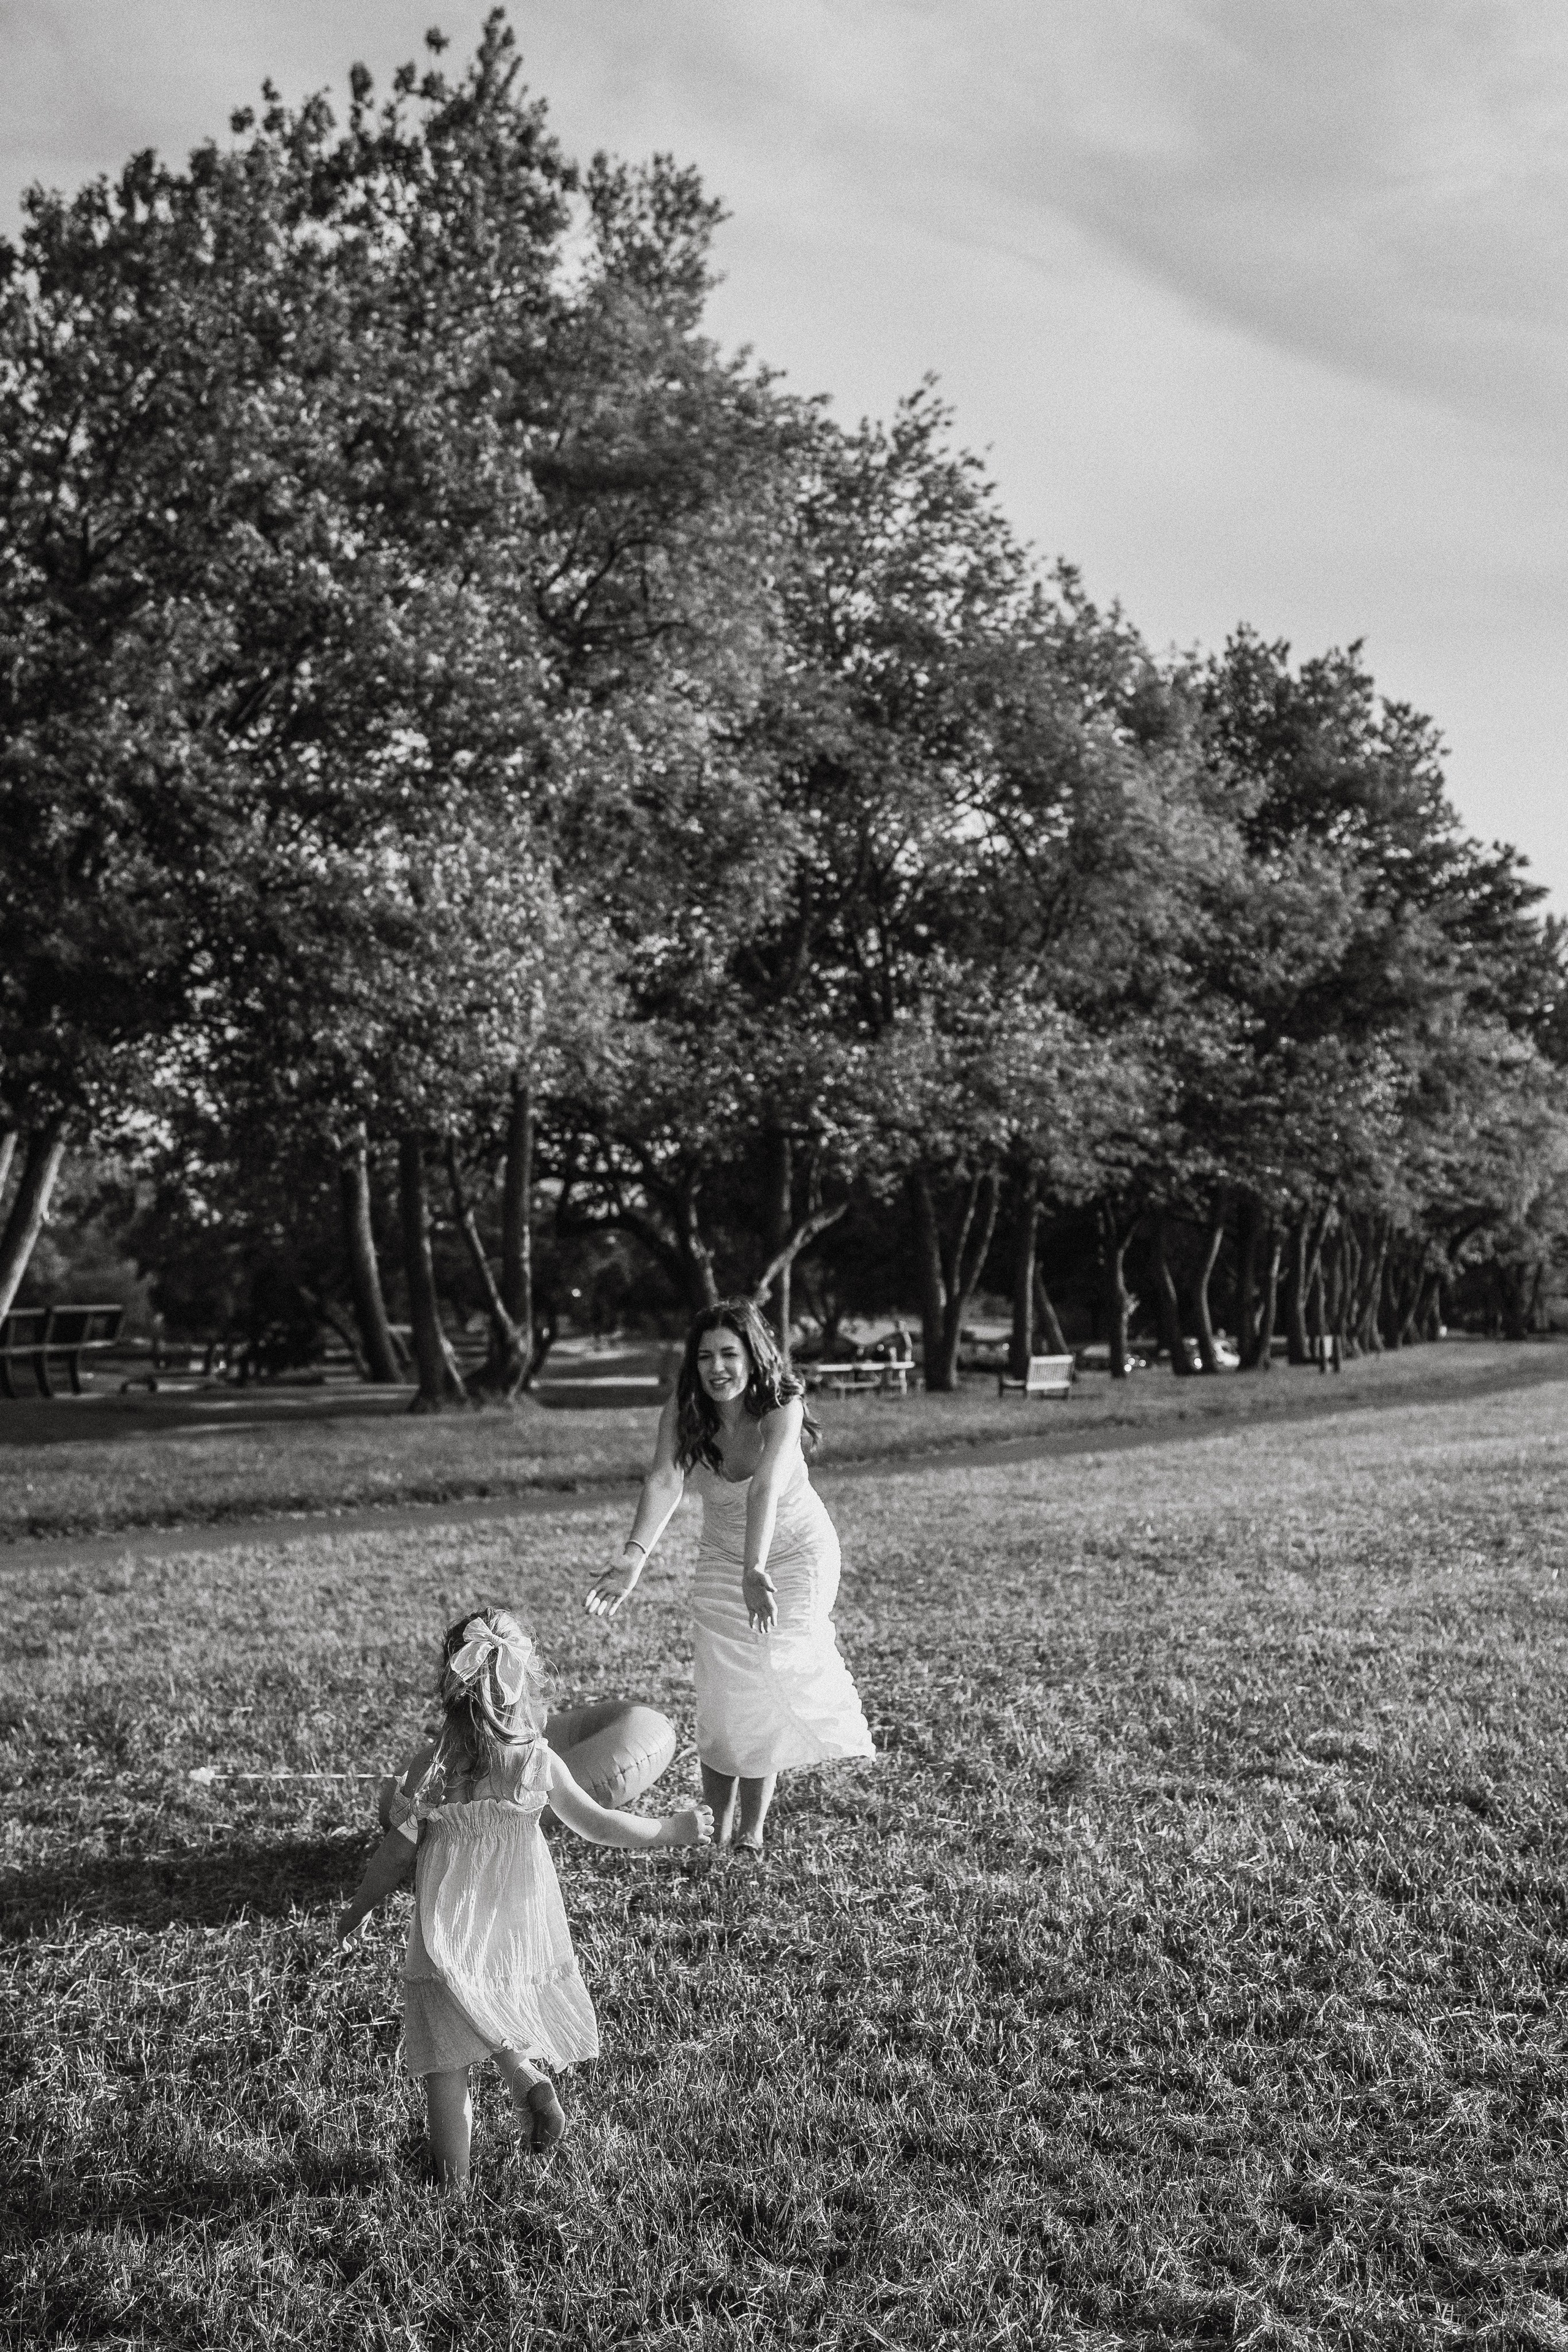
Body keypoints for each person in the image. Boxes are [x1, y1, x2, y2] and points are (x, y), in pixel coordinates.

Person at [337, 1604, 712, 2189]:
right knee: (493, 2004)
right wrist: (669, 1829)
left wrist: (358, 1907)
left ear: (449, 1685)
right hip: (513, 1919)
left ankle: (453, 2186)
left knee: (445, 2064)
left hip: (446, 1924)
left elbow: (396, 1853)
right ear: (522, 1684)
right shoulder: (537, 1761)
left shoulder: (430, 1771)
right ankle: (525, 2080)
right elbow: (599, 1824)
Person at [584, 1299, 875, 1857]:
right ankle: (717, 1828)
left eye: (729, 1354)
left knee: (766, 1681)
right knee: (722, 1698)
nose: (717, 1368)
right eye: (704, 1357)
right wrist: (633, 1557)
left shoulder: (782, 1403)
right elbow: (665, 1479)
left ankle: (752, 1830)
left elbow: (766, 1486)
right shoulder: (686, 1408)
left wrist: (755, 1567)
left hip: (791, 1557)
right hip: (723, 1558)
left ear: (753, 1356)